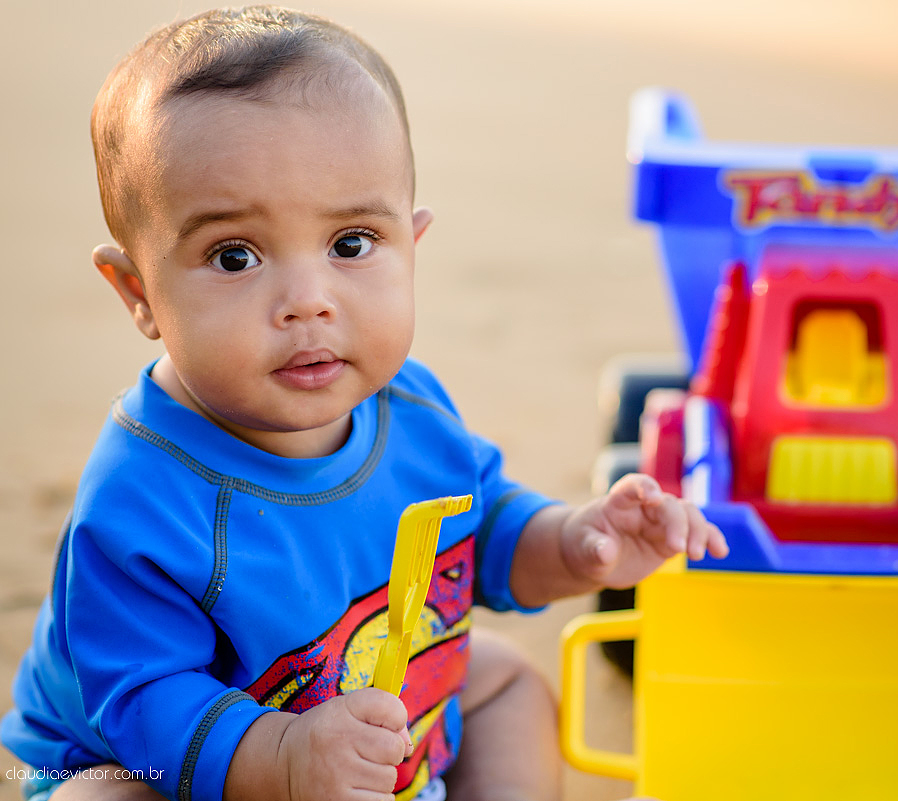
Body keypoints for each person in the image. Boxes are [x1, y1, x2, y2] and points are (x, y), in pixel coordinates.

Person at [0, 7, 727, 801]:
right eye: (234, 256)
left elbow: (478, 527)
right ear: (140, 293)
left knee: (508, 683)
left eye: (350, 244)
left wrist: (575, 541)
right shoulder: (142, 496)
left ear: (411, 245)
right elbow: (139, 701)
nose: (308, 301)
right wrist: (282, 755)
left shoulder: (411, 406)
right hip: (186, 762)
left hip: (370, 719)